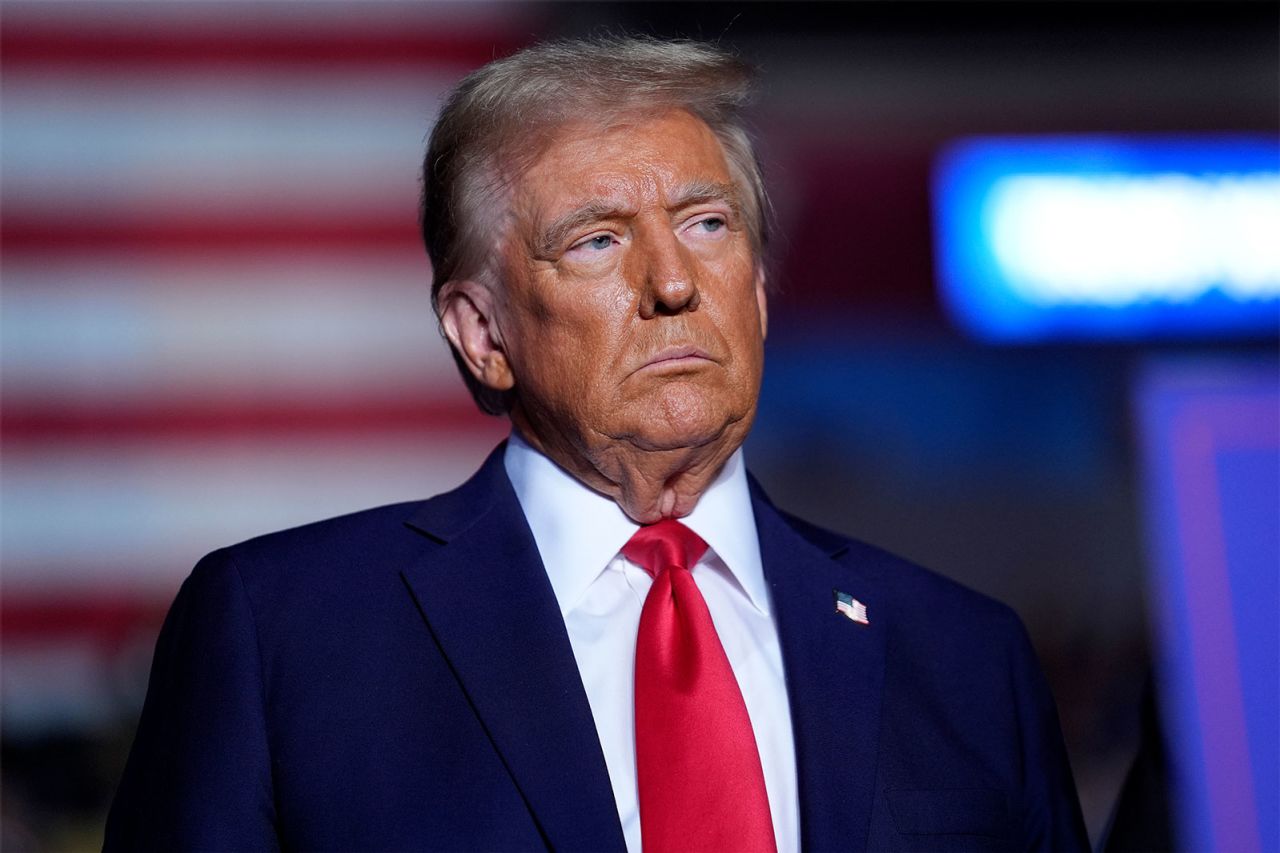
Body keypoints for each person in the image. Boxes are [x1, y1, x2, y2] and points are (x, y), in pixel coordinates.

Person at [104, 37, 1088, 852]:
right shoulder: (284, 639)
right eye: (598, 239)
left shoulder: (963, 653)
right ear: (482, 333)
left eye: (705, 223)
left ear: (754, 288)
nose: (671, 282)